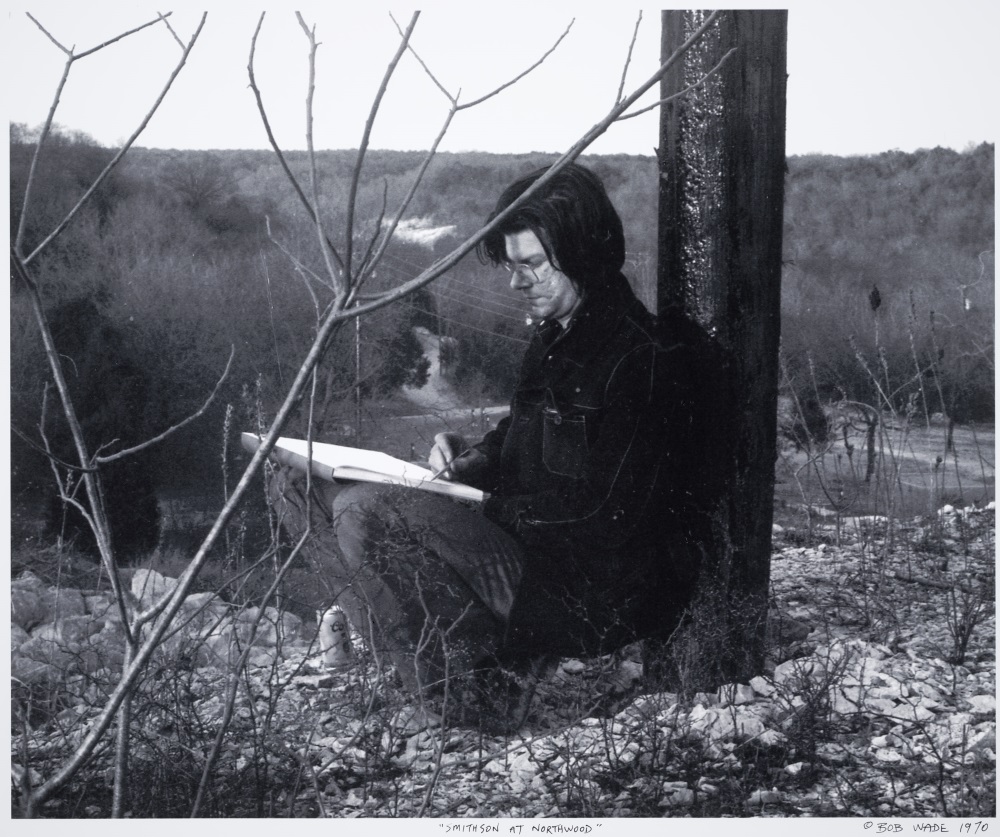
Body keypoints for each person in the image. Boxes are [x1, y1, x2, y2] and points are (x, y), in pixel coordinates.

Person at [270, 163, 696, 717]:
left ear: (584, 252)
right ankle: (418, 661)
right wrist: (465, 460)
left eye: (533, 266)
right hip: (518, 538)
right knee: (292, 482)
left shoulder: (638, 359)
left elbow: (609, 514)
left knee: (361, 509)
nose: (517, 283)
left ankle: (463, 693)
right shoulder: (553, 338)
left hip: (572, 581)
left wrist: (481, 506)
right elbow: (519, 438)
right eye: (512, 267)